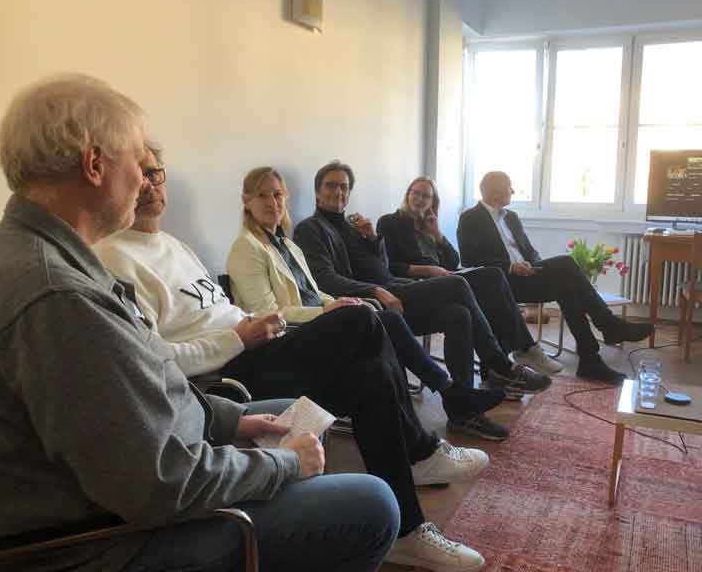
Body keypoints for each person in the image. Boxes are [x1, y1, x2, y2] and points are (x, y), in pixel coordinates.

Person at [0, 74, 399, 572]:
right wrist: (285, 464)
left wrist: (226, 419)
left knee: (295, 408)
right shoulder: (58, 296)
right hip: (107, 540)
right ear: (95, 165)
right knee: (373, 505)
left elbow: (144, 386)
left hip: (144, 473)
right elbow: (159, 483)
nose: (146, 179)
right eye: (139, 163)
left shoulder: (51, 257)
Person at [94, 145, 489, 572]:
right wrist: (238, 338)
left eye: (155, 173)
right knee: (363, 319)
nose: (149, 185)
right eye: (139, 174)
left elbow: (228, 310)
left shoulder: (175, 246)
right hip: (227, 377)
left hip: (259, 344)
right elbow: (155, 362)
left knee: (371, 373)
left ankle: (407, 532)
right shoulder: (113, 258)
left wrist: (253, 325)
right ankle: (422, 449)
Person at [226, 166, 506, 440]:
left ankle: (456, 406)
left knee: (456, 313)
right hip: (292, 338)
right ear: (247, 201)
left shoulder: (289, 245)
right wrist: (337, 306)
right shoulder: (251, 246)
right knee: (439, 294)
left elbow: (319, 289)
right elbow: (268, 314)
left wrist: (367, 253)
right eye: (262, 195)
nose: (272, 202)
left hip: (341, 310)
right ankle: (484, 374)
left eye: (277, 195)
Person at [293, 161, 552, 429]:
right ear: (317, 191)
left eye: (344, 187)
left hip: (396, 289)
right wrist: (376, 290)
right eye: (331, 186)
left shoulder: (352, 227)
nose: (338, 192)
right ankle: (500, 365)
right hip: (375, 302)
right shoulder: (310, 229)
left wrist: (372, 240)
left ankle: (462, 412)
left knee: (459, 314)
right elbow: (324, 279)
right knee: (459, 284)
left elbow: (382, 268)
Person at [457, 171, 654, 385]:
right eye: (509, 187)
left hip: (528, 275)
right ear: (495, 192)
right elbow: (469, 259)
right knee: (566, 265)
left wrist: (535, 265)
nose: (512, 191)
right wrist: (510, 266)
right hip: (501, 283)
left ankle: (591, 359)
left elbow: (529, 250)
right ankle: (608, 328)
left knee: (567, 286)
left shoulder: (511, 217)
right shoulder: (470, 219)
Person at [377, 176, 563, 376]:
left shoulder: (429, 226)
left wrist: (437, 234)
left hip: (447, 278)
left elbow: (453, 262)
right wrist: (428, 270)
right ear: (408, 195)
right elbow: (388, 266)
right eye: (416, 193)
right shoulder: (389, 222)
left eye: (426, 196)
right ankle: (520, 351)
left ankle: (499, 365)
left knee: (493, 278)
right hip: (418, 284)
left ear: (432, 202)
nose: (420, 199)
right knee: (491, 280)